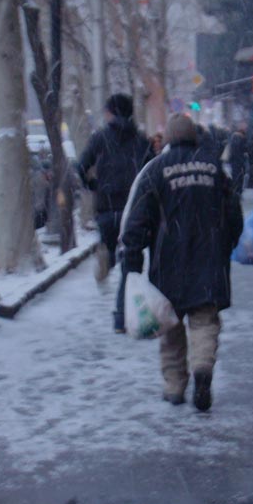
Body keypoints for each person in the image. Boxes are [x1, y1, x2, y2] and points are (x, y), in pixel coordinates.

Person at [121, 114, 243, 411]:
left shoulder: (156, 169)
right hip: (209, 259)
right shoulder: (214, 167)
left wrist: (133, 259)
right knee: (204, 320)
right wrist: (225, 244)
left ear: (170, 139)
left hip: (168, 261)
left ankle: (175, 385)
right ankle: (202, 368)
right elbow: (234, 215)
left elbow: (137, 220)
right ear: (195, 137)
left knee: (170, 325)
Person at [77, 93, 152, 333]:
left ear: (112, 113)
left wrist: (94, 186)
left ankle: (107, 257)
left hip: (106, 206)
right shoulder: (141, 141)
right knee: (131, 264)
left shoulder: (100, 138)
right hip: (133, 211)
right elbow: (151, 172)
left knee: (110, 246)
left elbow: (80, 166)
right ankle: (121, 319)